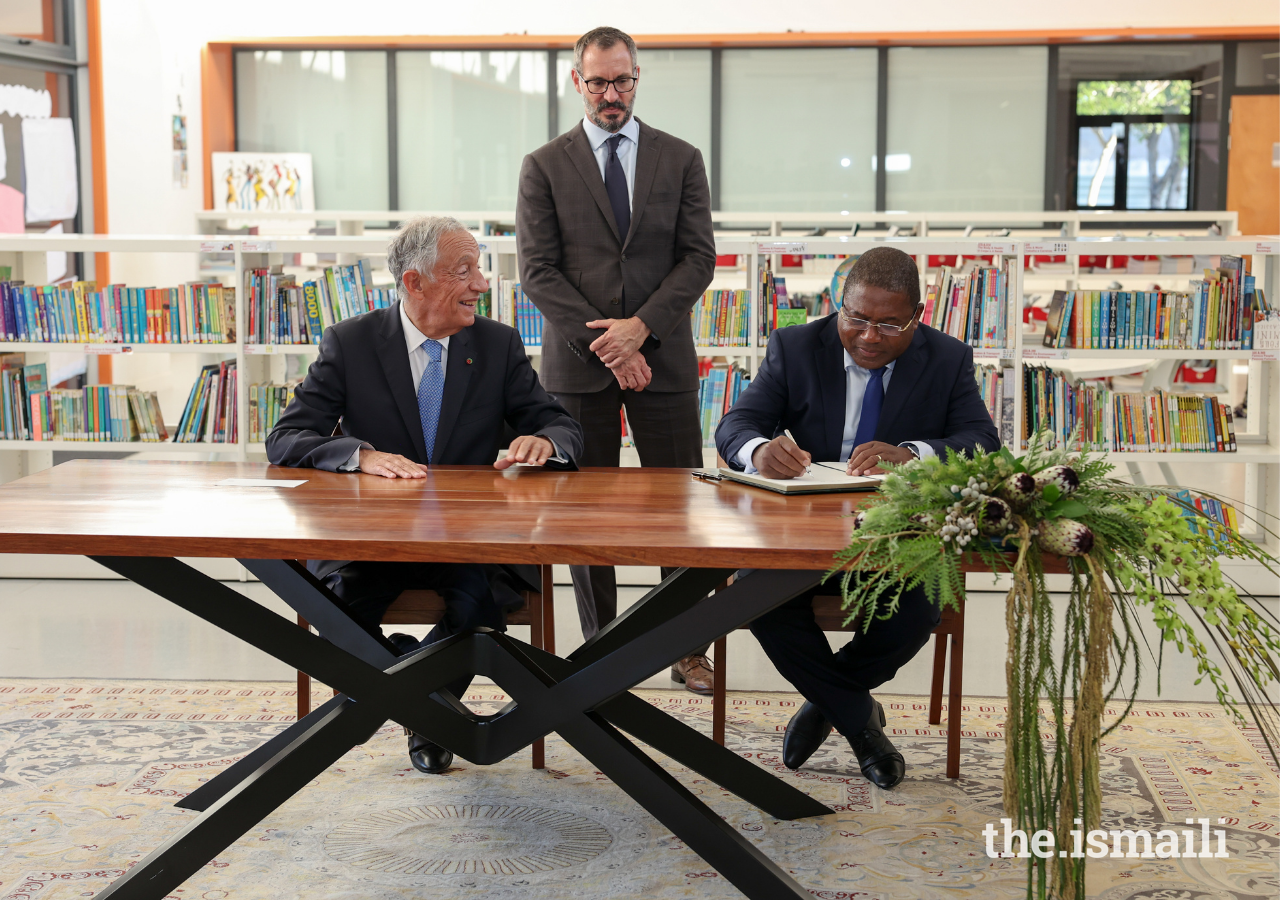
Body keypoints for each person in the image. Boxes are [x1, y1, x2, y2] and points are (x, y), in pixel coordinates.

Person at [267, 215, 584, 775]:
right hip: (374, 538)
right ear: (414, 282)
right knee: (338, 611)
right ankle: (431, 708)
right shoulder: (352, 342)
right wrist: (359, 455)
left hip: (471, 538)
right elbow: (287, 437)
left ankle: (413, 704)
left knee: (478, 610)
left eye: (479, 269)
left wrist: (542, 441)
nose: (481, 285)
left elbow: (560, 425)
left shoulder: (497, 343)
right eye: (463, 271)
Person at [714, 246, 999, 788]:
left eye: (889, 324)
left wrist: (915, 454)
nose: (869, 336)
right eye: (857, 318)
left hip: (898, 534)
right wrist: (756, 450)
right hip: (802, 529)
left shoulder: (947, 357)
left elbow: (982, 442)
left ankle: (828, 705)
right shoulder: (795, 345)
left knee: (922, 604)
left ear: (917, 316)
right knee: (755, 596)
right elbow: (736, 422)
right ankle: (861, 722)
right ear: (838, 305)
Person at [516, 26, 719, 694]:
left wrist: (642, 330)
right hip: (578, 367)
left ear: (638, 77)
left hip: (662, 357)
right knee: (584, 513)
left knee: (677, 508)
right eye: (598, 81)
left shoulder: (681, 158)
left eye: (623, 80)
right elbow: (538, 273)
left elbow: (698, 259)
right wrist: (608, 343)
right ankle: (602, 650)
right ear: (576, 81)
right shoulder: (543, 165)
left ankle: (688, 649)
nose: (612, 94)